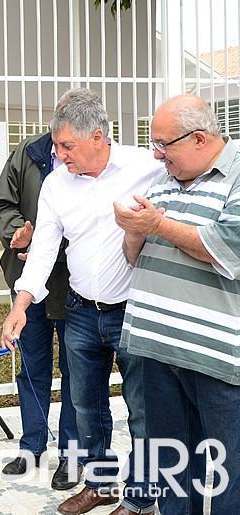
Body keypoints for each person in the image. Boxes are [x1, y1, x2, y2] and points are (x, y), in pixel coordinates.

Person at [1, 88, 163, 515]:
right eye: (56, 145)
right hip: (81, 311)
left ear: (98, 137)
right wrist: (21, 304)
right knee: (86, 406)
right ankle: (100, 483)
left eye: (66, 146)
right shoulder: (56, 184)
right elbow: (44, 249)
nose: (59, 154)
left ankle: (142, 498)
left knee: (143, 409)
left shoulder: (147, 169)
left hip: (134, 311)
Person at [116, 94, 240, 514]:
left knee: (229, 473)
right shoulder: (164, 178)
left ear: (200, 139)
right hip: (159, 350)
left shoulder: (237, 175)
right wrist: (134, 230)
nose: (156, 154)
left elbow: (228, 249)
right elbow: (135, 257)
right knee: (172, 467)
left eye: (163, 143)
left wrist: (159, 224)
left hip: (216, 359)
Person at [0, 131, 81, 490]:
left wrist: (51, 244)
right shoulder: (28, 153)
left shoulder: (90, 157)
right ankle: (32, 446)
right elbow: (0, 203)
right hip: (28, 279)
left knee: (76, 371)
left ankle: (73, 456)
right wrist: (18, 232)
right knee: (32, 368)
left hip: (74, 281)